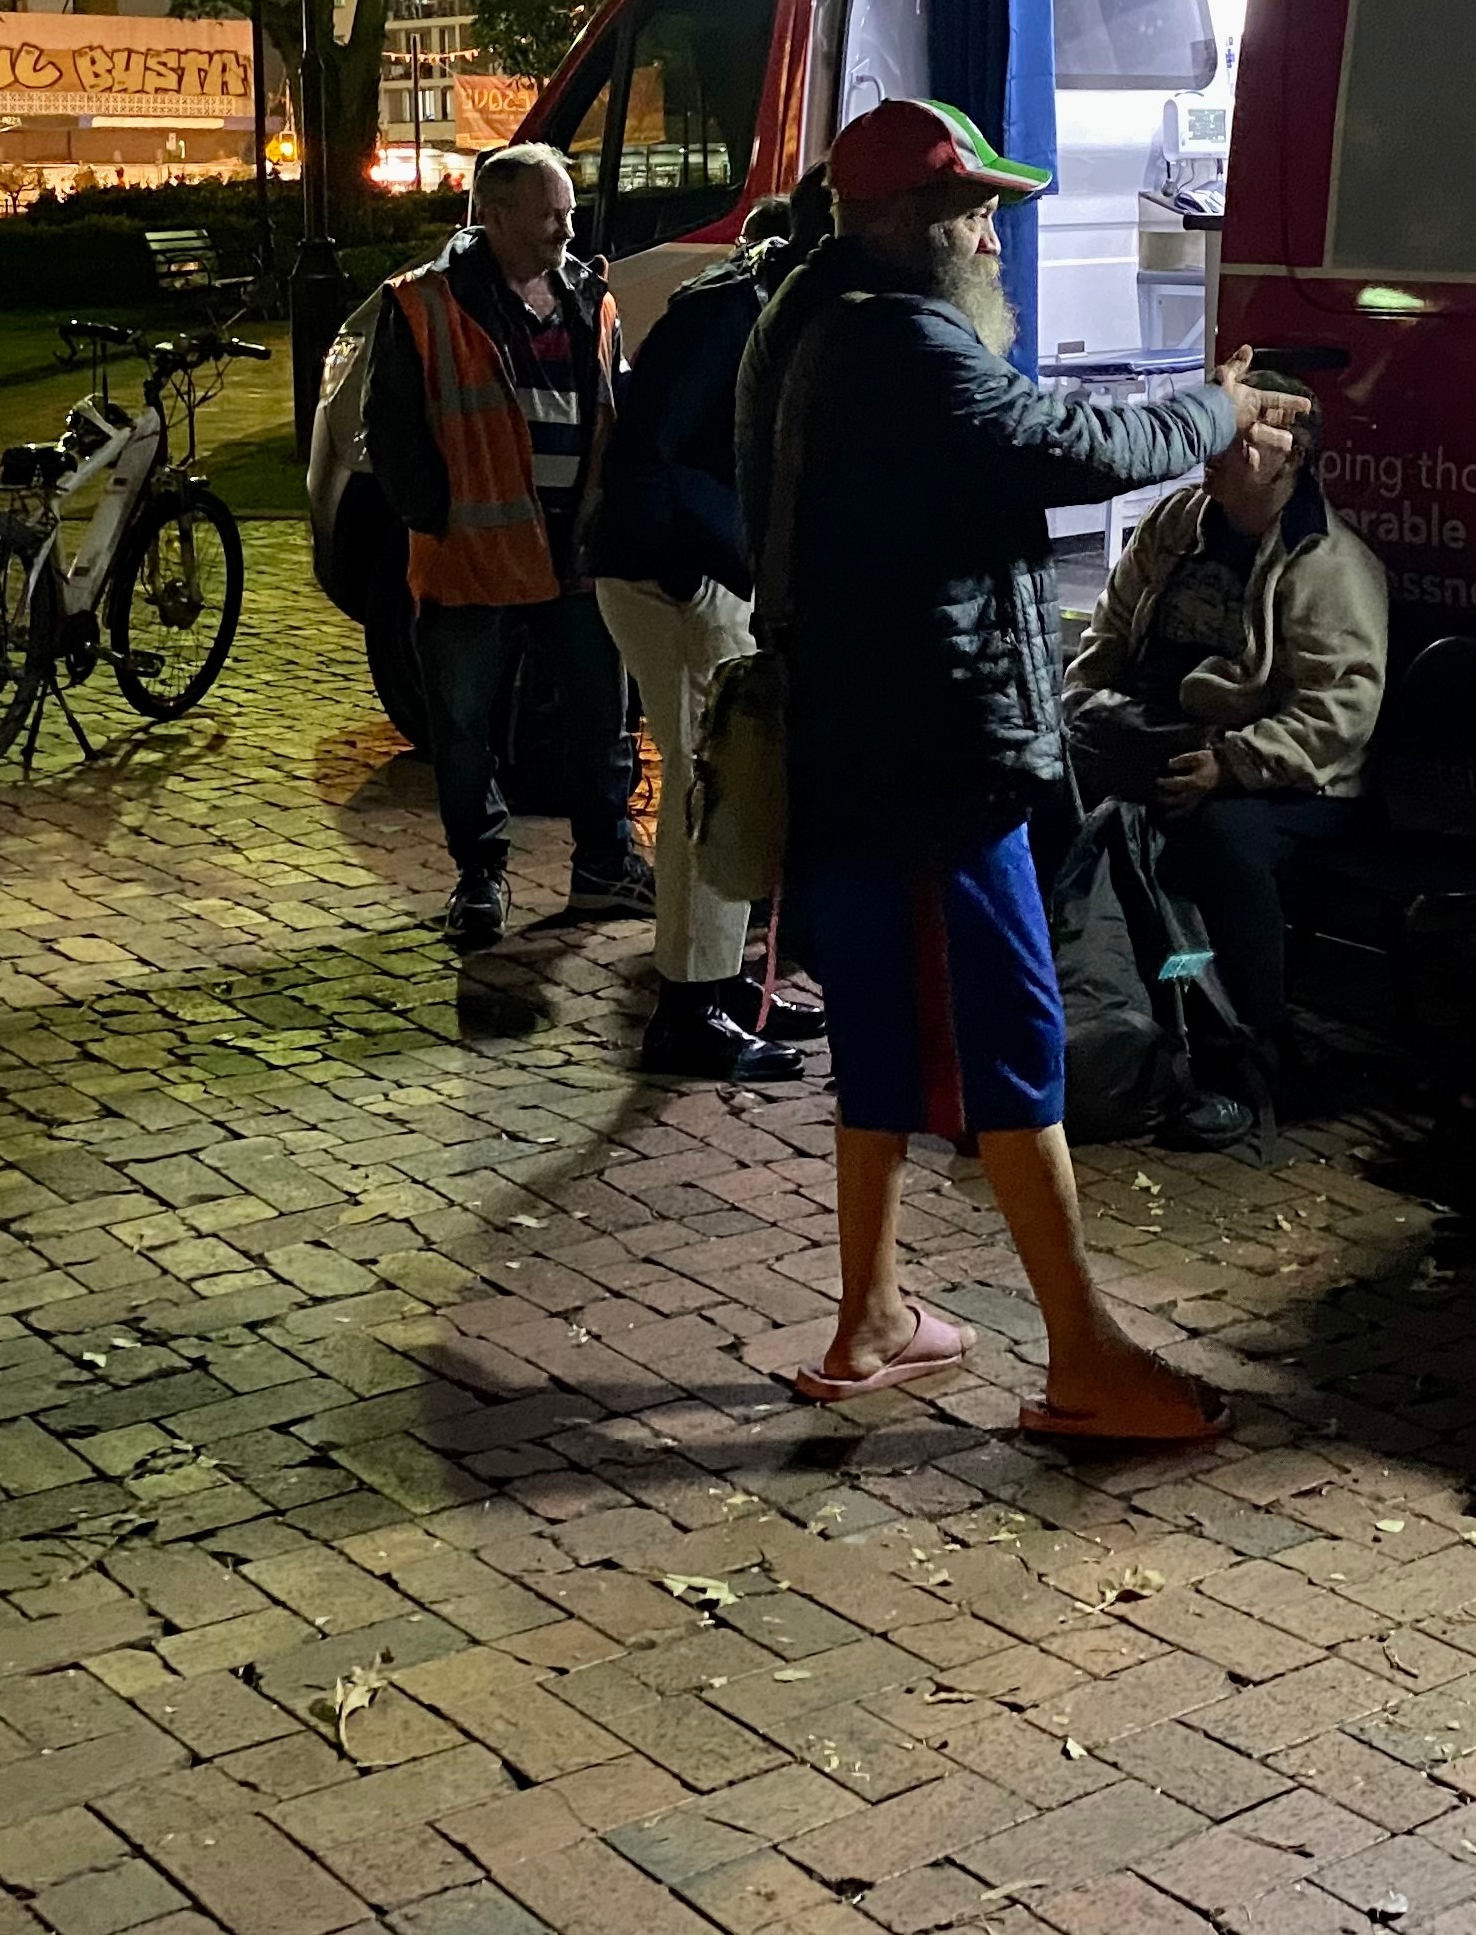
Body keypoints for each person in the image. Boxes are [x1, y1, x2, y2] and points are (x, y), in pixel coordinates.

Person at [739, 93, 1310, 1440]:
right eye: (973, 210)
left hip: (851, 749)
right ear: (909, 224)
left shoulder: (806, 318)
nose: (995, 235)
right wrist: (1215, 412)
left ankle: (871, 1315)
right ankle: (1084, 1357)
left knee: (879, 1039)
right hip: (941, 757)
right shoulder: (906, 343)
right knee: (1013, 1044)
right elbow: (1077, 448)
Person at [1060, 369, 1389, 1139]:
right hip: (1156, 738)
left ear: (1291, 458)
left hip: (1289, 780)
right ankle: (1099, 1030)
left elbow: (1339, 712)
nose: (1217, 447)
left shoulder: (1328, 564)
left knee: (1216, 843)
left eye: (1242, 438)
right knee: (1050, 803)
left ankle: (1247, 1052)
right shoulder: (1179, 521)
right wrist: (1085, 706)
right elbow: (1108, 632)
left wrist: (1232, 764)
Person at [364, 142, 651, 950]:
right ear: (493, 215)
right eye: (550, 212)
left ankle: (602, 864)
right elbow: (392, 429)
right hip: (472, 556)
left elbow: (608, 404)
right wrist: (435, 516)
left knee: (603, 717)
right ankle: (480, 877)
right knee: (464, 728)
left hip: (573, 551)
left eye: (567, 210)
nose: (567, 225)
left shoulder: (589, 296)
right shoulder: (422, 303)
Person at [589, 179, 828, 1081]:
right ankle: (692, 1011)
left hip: (683, 573)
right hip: (679, 580)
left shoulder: (740, 299)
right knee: (709, 789)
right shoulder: (738, 313)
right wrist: (700, 577)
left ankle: (717, 985)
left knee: (716, 783)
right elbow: (655, 453)